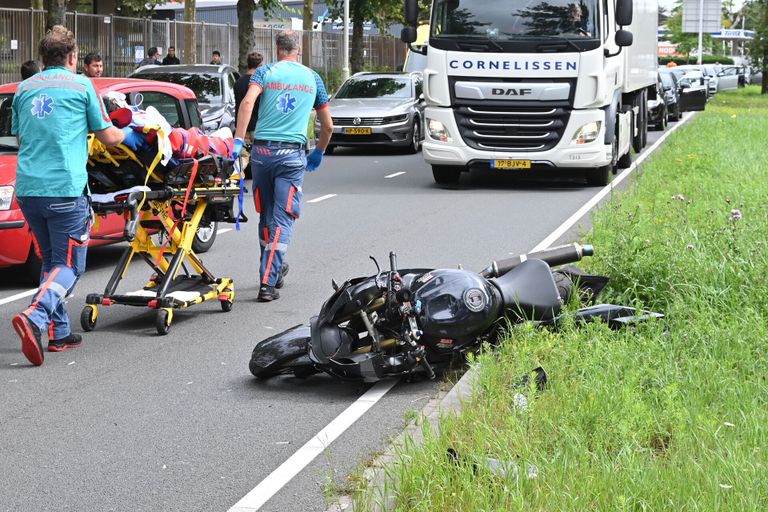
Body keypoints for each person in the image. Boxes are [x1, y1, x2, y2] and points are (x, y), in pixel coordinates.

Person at [10, 25, 134, 366]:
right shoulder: (81, 85)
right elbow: (108, 137)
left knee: (51, 261)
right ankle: (35, 316)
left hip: (29, 191)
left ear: (42, 56)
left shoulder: (24, 88)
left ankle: (59, 332)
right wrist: (133, 133)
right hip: (64, 189)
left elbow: (21, 140)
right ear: (72, 57)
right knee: (69, 265)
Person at [233, 30, 333, 302]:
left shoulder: (264, 72)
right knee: (283, 219)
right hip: (291, 156)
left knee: (266, 215)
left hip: (262, 153)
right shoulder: (313, 79)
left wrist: (238, 140)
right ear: (298, 49)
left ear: (277, 49)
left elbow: (247, 103)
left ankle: (273, 270)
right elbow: (328, 125)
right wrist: (319, 152)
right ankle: (267, 283)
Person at [234, 51, 264, 140]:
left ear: (248, 64)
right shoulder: (262, 83)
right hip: (258, 128)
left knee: (243, 154)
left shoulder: (238, 82)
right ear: (260, 66)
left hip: (242, 128)